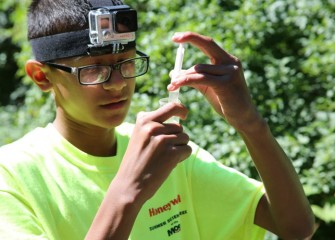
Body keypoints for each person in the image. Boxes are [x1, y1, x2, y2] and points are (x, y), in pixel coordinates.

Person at [0, 0, 315, 239]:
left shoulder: (166, 152)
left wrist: (250, 124)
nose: (118, 83)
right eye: (93, 69)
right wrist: (128, 191)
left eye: (126, 62)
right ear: (41, 76)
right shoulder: (11, 176)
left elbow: (295, 227)